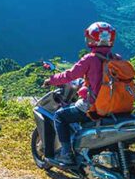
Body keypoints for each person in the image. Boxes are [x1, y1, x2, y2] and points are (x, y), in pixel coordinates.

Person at [42, 21, 119, 166]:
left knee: (59, 116)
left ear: (92, 39)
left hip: (93, 105)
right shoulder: (116, 58)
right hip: (114, 106)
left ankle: (66, 154)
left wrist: (51, 80)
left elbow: (70, 75)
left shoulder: (90, 59)